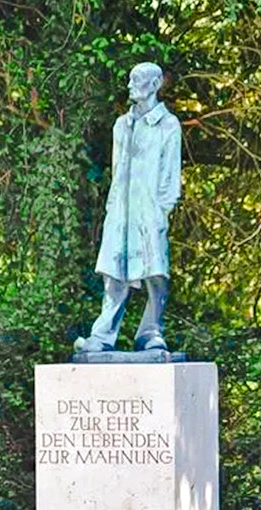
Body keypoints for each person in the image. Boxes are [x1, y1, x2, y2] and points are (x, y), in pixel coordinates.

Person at [76, 62, 182, 353]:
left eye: (137, 80)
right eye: (130, 79)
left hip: (150, 209)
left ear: (155, 84)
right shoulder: (122, 125)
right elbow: (117, 167)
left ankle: (151, 331)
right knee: (113, 271)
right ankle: (103, 334)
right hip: (121, 209)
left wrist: (163, 209)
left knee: (155, 272)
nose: (130, 85)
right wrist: (112, 207)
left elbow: (171, 173)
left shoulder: (168, 125)